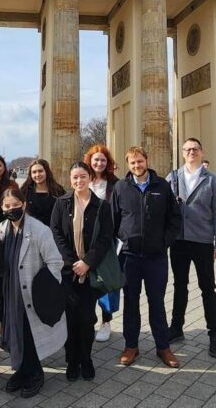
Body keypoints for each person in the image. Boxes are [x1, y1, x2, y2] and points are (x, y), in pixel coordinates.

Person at [112, 146, 181, 369]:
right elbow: (112, 220)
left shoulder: (162, 185)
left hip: (156, 256)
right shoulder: (121, 187)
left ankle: (163, 347)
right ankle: (131, 345)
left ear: (146, 160)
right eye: (132, 163)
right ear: (127, 164)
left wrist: (165, 241)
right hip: (130, 257)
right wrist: (122, 240)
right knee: (130, 302)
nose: (136, 166)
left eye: (140, 162)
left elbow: (175, 218)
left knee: (157, 303)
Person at [0, 188, 66, 398]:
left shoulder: (39, 230)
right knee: (15, 330)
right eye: (7, 206)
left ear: (24, 204)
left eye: (15, 205)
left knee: (29, 332)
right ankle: (21, 369)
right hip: (10, 290)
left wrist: (45, 290)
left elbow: (55, 262)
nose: (12, 209)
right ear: (2, 208)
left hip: (32, 292)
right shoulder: (2, 229)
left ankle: (35, 373)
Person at [51, 162, 114, 382]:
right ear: (71, 180)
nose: (79, 181)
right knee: (70, 319)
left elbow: (107, 238)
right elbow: (56, 233)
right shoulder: (61, 203)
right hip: (68, 273)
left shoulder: (102, 206)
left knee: (87, 319)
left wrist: (87, 262)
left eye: (83, 177)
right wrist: (72, 263)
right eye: (75, 177)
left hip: (91, 272)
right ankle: (72, 360)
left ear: (90, 178)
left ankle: (86, 358)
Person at [167, 138, 216, 358]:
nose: (191, 152)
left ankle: (214, 334)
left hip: (202, 241)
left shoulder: (212, 180)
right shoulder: (173, 178)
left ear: (201, 152)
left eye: (195, 149)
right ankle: (176, 328)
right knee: (179, 285)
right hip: (179, 241)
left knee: (207, 287)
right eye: (187, 149)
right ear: (182, 153)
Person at [85, 144, 120, 342]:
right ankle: (87, 319)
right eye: (96, 159)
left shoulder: (115, 184)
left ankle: (106, 322)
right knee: (86, 282)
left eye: (103, 160)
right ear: (90, 160)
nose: (99, 163)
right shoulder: (82, 179)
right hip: (84, 239)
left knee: (106, 281)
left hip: (107, 239)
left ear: (108, 163)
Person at [19, 158, 65, 227]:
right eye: (34, 172)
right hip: (31, 232)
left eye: (40, 171)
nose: (37, 175)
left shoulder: (58, 191)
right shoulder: (24, 192)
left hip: (53, 232)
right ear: (30, 175)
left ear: (46, 172)